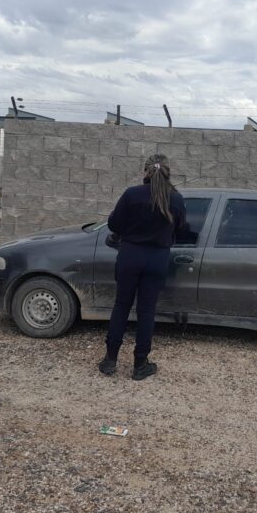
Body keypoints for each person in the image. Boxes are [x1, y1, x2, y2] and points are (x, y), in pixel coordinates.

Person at [98, 153, 186, 380]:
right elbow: (182, 228)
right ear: (168, 172)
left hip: (130, 256)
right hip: (157, 259)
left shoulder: (131, 194)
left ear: (145, 172)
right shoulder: (176, 199)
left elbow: (114, 224)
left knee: (121, 306)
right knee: (146, 311)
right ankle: (140, 364)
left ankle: (110, 360)